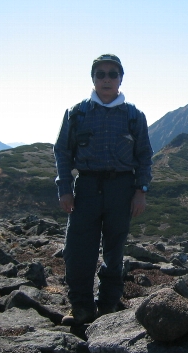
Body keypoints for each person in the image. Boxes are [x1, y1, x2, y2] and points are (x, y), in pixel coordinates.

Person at [53, 54, 153, 326]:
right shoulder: (77, 113)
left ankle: (108, 305)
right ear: (93, 79)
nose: (106, 79)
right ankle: (82, 307)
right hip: (85, 188)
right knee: (77, 249)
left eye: (112, 74)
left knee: (114, 250)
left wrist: (141, 191)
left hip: (121, 189)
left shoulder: (133, 116)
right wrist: (65, 188)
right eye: (101, 74)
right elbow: (62, 152)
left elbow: (144, 156)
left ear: (120, 79)